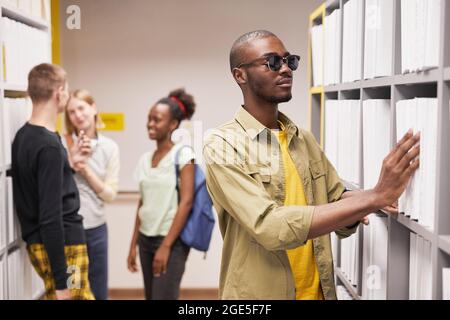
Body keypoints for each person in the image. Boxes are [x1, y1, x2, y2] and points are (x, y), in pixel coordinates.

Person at [203, 30, 420, 300]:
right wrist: (374, 196)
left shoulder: (302, 138)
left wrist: (373, 197)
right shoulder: (222, 144)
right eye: (272, 62)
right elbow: (269, 228)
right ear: (240, 75)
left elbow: (335, 199)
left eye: (289, 61)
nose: (285, 69)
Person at [11, 63, 95, 300]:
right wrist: (61, 282)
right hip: (64, 245)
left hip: (47, 243)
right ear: (59, 93)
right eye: (66, 90)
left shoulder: (25, 136)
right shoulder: (48, 146)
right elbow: (50, 215)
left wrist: (67, 165)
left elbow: (41, 186)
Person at [127, 88, 197, 300]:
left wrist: (166, 246)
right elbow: (142, 204)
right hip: (146, 241)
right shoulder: (145, 159)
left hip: (170, 242)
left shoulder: (184, 155)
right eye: (149, 119)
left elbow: (187, 202)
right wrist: (133, 245)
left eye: (157, 120)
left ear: (173, 124)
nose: (150, 124)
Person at [64, 89, 120, 300]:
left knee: (98, 291)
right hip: (69, 229)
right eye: (71, 112)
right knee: (73, 290)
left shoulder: (110, 147)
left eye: (81, 108)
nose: (77, 115)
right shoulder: (61, 143)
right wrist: (72, 159)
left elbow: (110, 195)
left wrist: (85, 168)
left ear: (93, 108)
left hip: (96, 230)